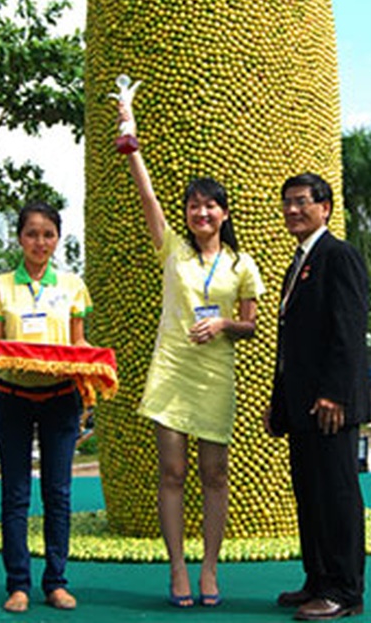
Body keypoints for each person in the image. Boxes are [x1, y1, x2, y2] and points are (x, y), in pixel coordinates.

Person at [116, 99, 264, 608]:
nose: (200, 213)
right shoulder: (173, 251)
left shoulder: (242, 264)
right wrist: (130, 139)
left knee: (215, 475)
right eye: (193, 206)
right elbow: (147, 194)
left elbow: (249, 325)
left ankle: (209, 569)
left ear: (224, 213)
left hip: (216, 373)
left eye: (210, 206)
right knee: (172, 472)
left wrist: (223, 323)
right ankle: (178, 569)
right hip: (173, 370)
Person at [0, 201, 92, 614]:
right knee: (16, 494)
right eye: (32, 233)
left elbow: (78, 345)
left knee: (58, 494)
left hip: (61, 399)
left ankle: (56, 582)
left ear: (58, 239)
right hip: (13, 401)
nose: (40, 242)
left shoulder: (73, 286)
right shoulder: (0, 288)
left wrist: (93, 367)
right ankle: (18, 584)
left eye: (48, 234)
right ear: (19, 237)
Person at [264, 174, 370, 621]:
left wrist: (333, 394)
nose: (292, 210)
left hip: (331, 407)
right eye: (287, 202)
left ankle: (344, 590)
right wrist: (280, 401)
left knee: (337, 495)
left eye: (302, 202)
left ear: (325, 207)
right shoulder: (299, 261)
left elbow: (348, 331)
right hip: (302, 406)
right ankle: (318, 579)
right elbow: (291, 342)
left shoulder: (338, 256)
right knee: (309, 494)